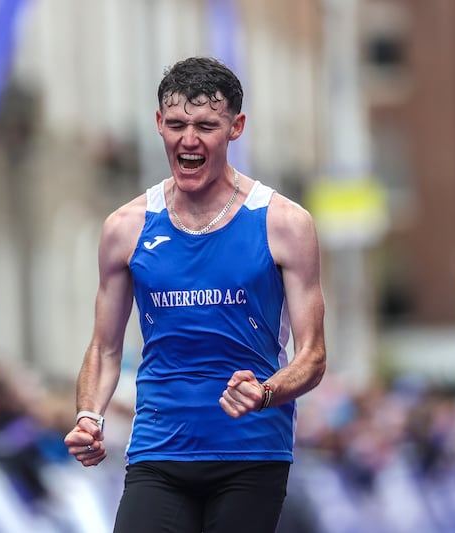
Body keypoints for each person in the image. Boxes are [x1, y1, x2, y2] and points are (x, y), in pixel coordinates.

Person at [64, 56, 327, 533]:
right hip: (159, 448)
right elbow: (104, 347)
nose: (189, 139)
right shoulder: (127, 228)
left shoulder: (284, 223)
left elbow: (313, 356)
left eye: (206, 125)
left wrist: (266, 392)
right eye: (178, 124)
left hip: (251, 451)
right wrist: (88, 417)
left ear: (235, 127)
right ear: (159, 124)